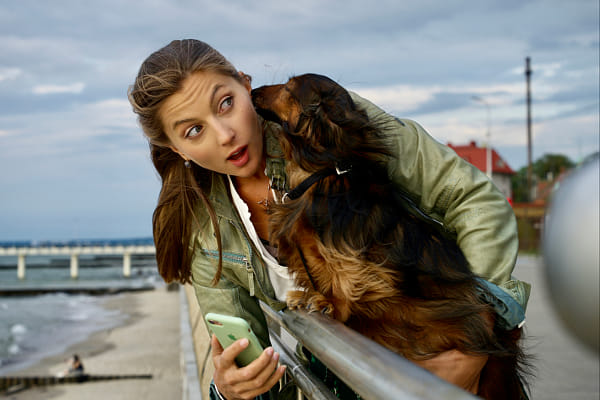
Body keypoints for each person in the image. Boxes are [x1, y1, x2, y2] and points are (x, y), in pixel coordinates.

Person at [128, 39, 531, 400]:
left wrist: (479, 327)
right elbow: (256, 364)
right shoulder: (203, 231)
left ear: (244, 83)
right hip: (346, 379)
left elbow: (474, 198)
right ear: (175, 147)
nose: (224, 134)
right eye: (195, 130)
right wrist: (230, 390)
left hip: (454, 357)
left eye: (226, 104)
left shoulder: (327, 123)